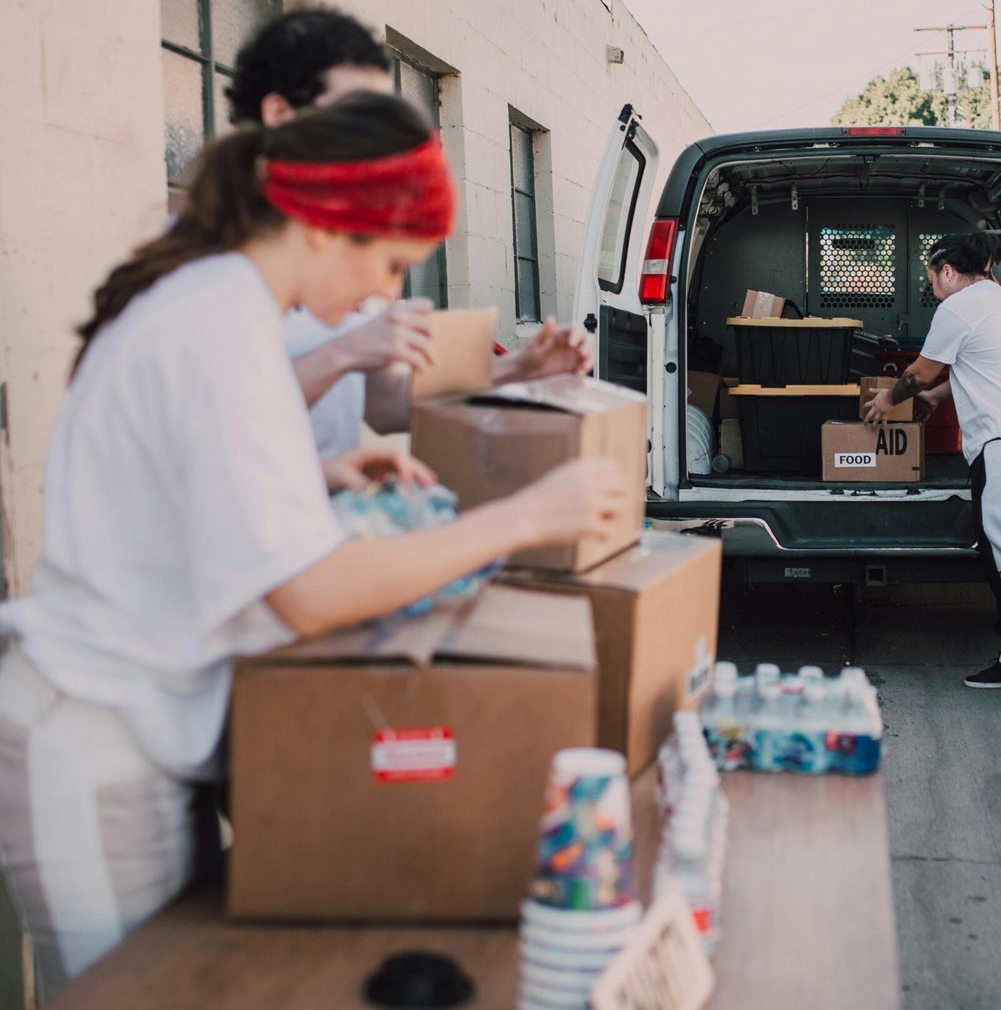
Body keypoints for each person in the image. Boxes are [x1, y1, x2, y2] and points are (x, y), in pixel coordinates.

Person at [0, 92, 627, 996]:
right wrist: (527, 515)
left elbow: (185, 483)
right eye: (390, 262)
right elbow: (309, 591)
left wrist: (318, 476)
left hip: (146, 727)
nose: (386, 293)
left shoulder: (223, 302)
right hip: (95, 733)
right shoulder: (220, 322)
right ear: (331, 228)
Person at [227, 7, 590, 457]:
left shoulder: (358, 252)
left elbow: (385, 406)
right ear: (279, 113)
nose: (384, 141)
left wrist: (521, 367)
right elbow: (214, 433)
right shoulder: (213, 277)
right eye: (361, 114)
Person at [864, 232, 1001, 710]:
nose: (933, 287)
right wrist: (936, 398)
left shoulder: (959, 307)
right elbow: (984, 370)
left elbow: (920, 372)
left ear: (947, 271)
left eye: (931, 278)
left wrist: (889, 398)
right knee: (998, 553)